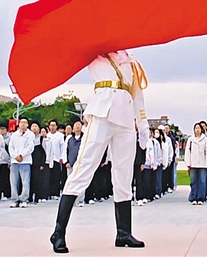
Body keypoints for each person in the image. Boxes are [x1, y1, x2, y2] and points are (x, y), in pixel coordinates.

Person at [50, 51, 150, 253]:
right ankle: (58, 233)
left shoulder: (132, 63)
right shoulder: (97, 53)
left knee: (124, 177)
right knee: (83, 169)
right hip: (102, 114)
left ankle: (123, 233)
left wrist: (143, 124)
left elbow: (138, 97)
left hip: (125, 119)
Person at [9, 117, 35, 208]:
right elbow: (11, 147)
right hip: (14, 161)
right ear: (19, 124)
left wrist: (21, 155)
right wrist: (15, 156)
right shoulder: (14, 135)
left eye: (25, 123)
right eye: (21, 122)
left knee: (25, 181)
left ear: (27, 124)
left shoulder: (30, 135)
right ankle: (15, 199)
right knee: (13, 182)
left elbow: (30, 147)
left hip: (25, 161)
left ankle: (24, 199)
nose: (23, 124)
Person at [185, 123, 207, 205]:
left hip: (202, 164)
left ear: (201, 130)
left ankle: (201, 198)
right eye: (196, 128)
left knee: (202, 182)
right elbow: (187, 152)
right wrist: (188, 163)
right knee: (193, 182)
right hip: (193, 164)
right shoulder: (191, 139)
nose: (197, 130)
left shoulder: (205, 139)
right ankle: (193, 198)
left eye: (198, 128)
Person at [0, 124, 12, 200]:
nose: (2, 131)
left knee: (6, 178)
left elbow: (11, 150)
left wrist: (10, 161)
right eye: (0, 129)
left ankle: (7, 194)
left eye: (3, 129)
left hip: (7, 161)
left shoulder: (10, 138)